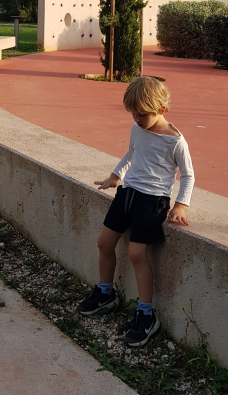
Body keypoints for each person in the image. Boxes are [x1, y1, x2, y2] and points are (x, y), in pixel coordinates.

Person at [76, 76, 194, 348]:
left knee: (136, 254)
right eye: (133, 113)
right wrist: (116, 175)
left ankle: (145, 313)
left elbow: (188, 176)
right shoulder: (137, 128)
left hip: (152, 201)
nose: (136, 119)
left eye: (141, 114)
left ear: (161, 110)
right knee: (104, 242)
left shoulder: (175, 141)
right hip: (127, 194)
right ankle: (105, 293)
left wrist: (180, 205)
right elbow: (131, 153)